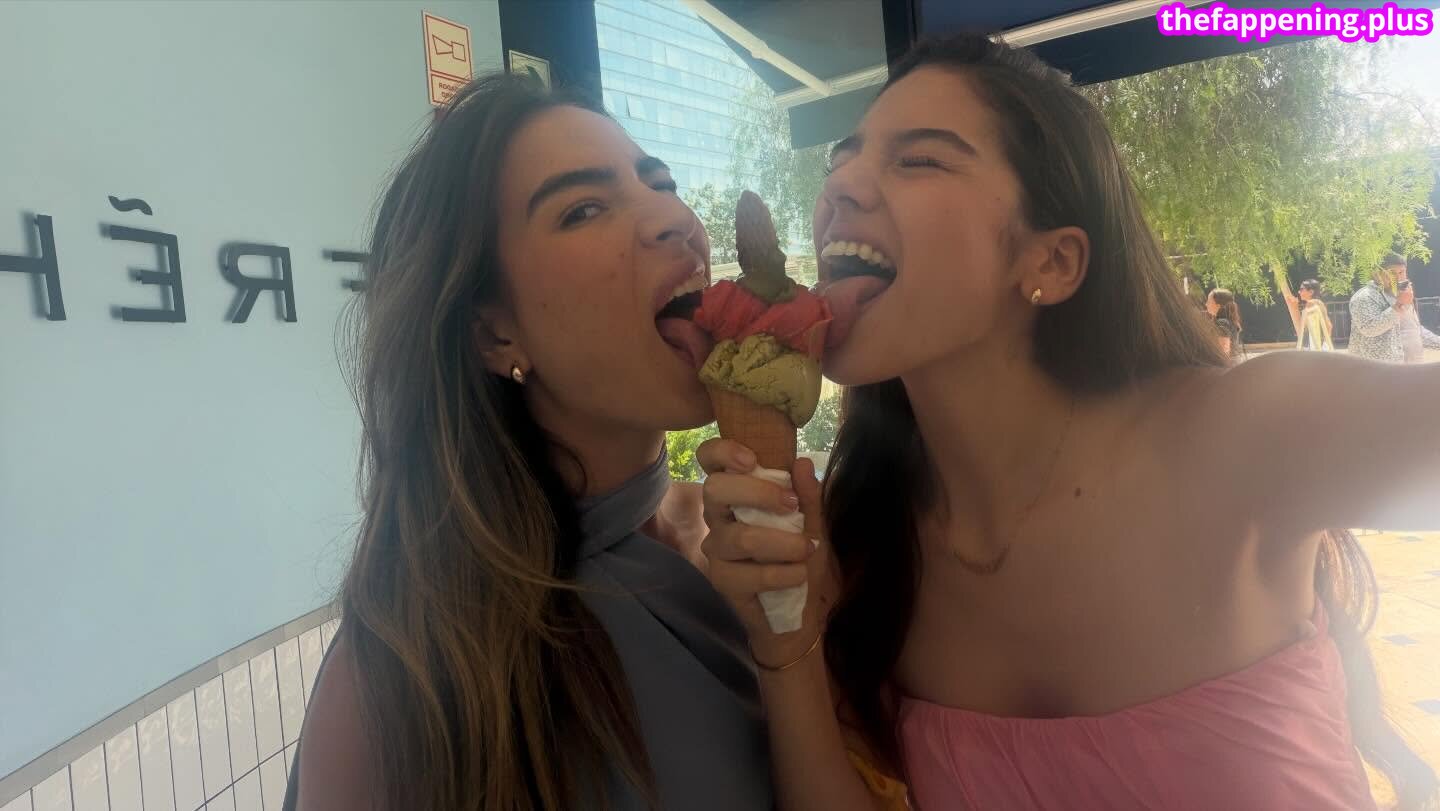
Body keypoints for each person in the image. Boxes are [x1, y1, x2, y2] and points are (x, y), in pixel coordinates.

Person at [699, 34, 1438, 811]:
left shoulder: (1246, 434)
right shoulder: (861, 542)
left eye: (919, 160)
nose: (839, 187)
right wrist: (787, 645)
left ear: (1051, 263)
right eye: (840, 161)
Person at [286, 74, 773, 811]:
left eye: (661, 183)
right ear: (495, 334)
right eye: (583, 209)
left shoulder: (748, 545)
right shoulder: (405, 675)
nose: (675, 218)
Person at [1351, 254, 1440, 363]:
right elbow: (1368, 328)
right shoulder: (1365, 297)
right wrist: (1399, 305)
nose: (1397, 278)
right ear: (1376, 274)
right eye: (1392, 273)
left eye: (1401, 272)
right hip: (1379, 369)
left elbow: (1412, 329)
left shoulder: (1400, 295)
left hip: (1411, 366)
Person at [1293, 279, 1335, 351]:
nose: (1299, 292)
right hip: (1320, 344)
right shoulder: (1319, 303)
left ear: (1311, 292)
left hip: (1316, 344)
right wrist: (1326, 344)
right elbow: (1329, 325)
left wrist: (1294, 307)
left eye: (1302, 289)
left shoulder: (1311, 303)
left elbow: (1301, 328)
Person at [1205, 287, 1244, 360]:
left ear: (1218, 305)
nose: (1206, 304)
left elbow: (1224, 353)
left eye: (1209, 301)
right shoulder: (1227, 321)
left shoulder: (1222, 323)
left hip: (1224, 366)